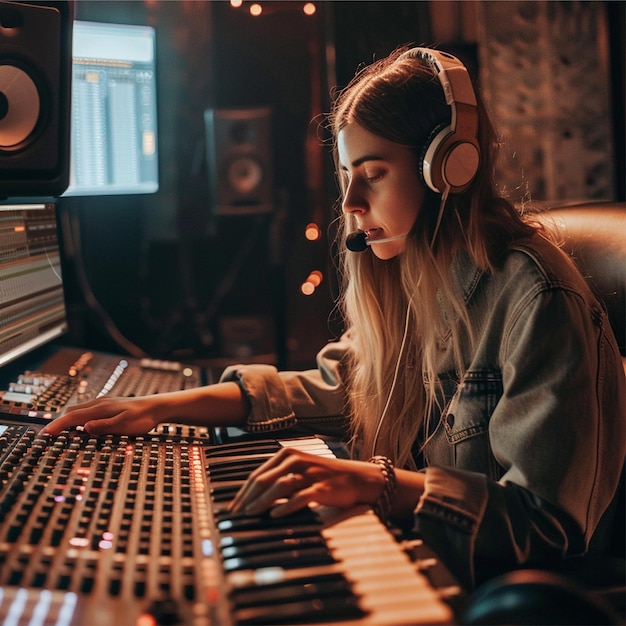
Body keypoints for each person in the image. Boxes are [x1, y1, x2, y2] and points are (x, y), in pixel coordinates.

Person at [45, 46, 625, 589]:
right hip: (426, 563)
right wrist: (160, 407)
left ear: (449, 167)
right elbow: (339, 385)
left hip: (503, 593)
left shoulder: (536, 298)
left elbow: (545, 523)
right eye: (348, 176)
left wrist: (382, 484)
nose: (350, 203)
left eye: (373, 173)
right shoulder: (410, 274)